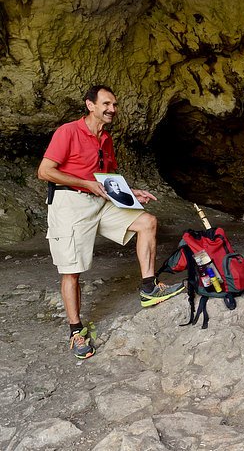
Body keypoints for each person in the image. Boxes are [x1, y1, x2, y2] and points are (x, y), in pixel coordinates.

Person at [37, 85, 185, 360]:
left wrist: (131, 193)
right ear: (90, 105)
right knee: (72, 270)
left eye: (115, 105)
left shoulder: (105, 138)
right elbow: (45, 171)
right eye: (106, 104)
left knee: (147, 222)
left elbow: (108, 178)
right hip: (70, 204)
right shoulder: (68, 131)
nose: (112, 109)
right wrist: (85, 183)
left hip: (100, 200)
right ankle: (76, 331)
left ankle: (149, 287)